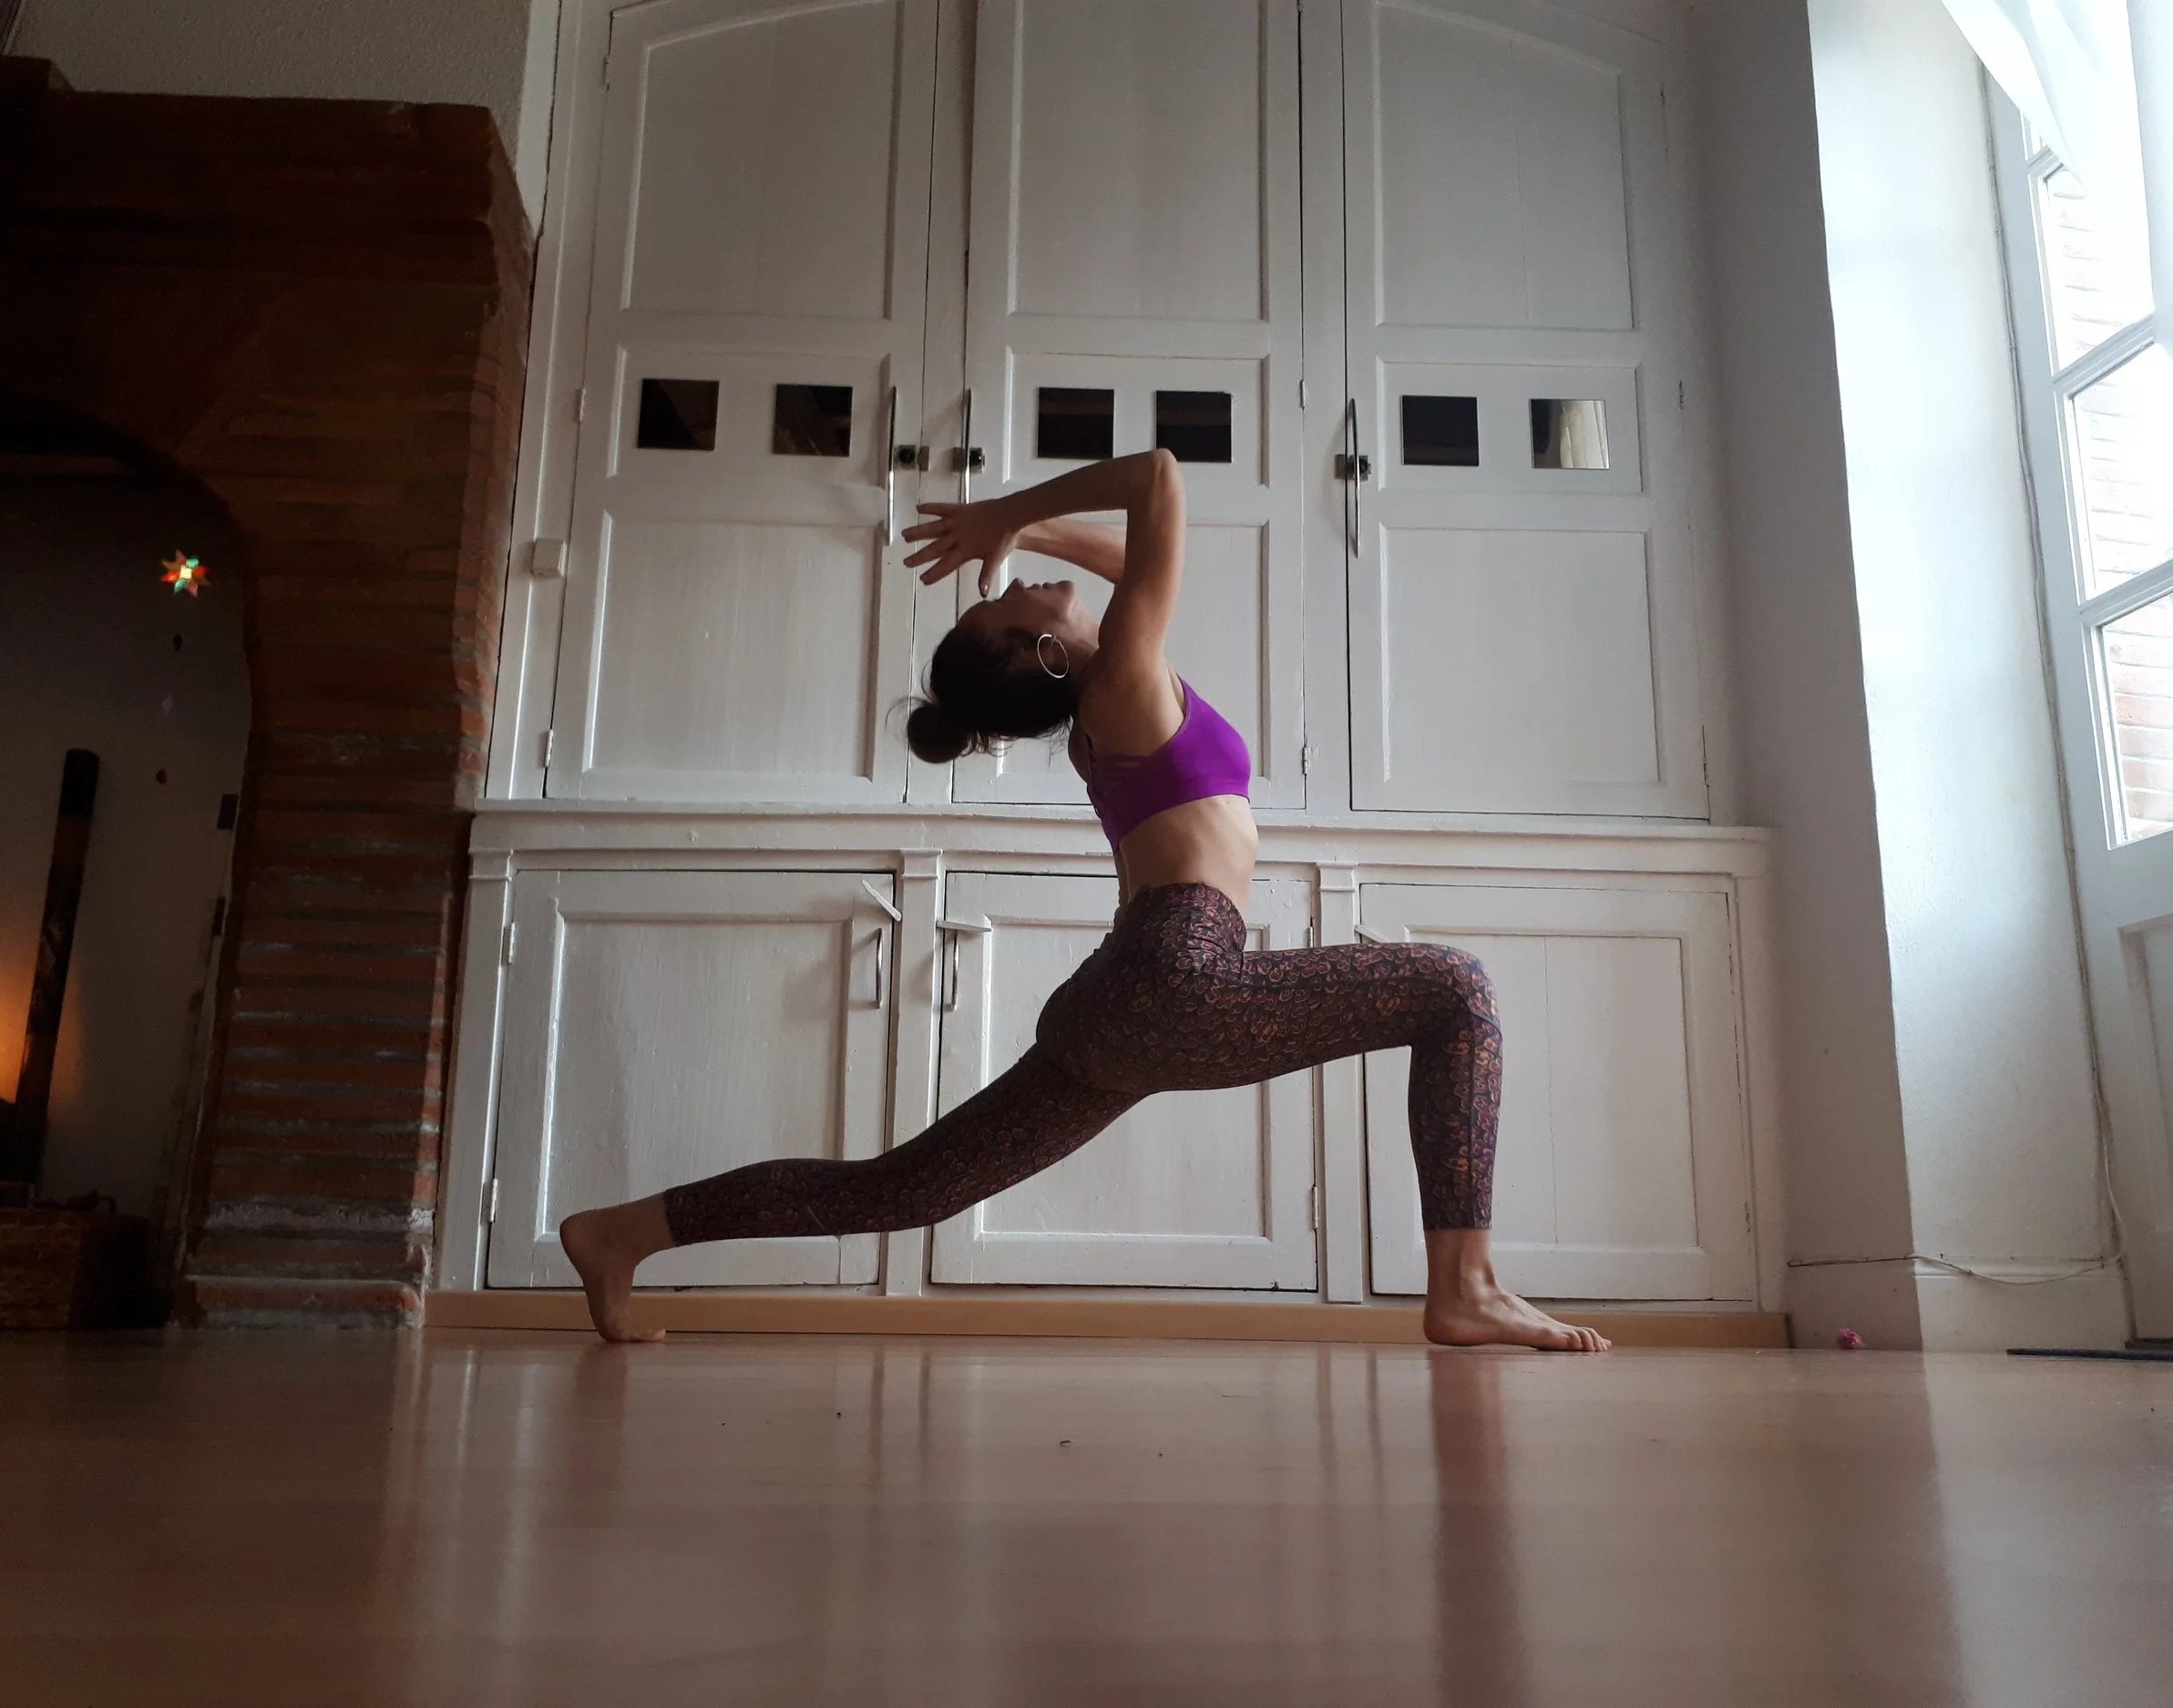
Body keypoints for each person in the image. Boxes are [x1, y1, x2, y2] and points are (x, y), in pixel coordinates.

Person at [562, 450, 1611, 1352]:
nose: (1016, 580)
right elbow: (1157, 481)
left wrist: (1026, 531)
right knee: (1454, 990)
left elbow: (1126, 564)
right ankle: (1462, 1288)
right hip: (1178, 975)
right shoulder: (1119, 693)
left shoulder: (1115, 687)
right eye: (1007, 601)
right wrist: (1010, 511)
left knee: (902, 1190)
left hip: (1125, 999)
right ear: (1043, 653)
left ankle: (623, 1233)